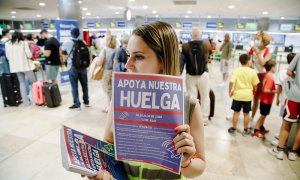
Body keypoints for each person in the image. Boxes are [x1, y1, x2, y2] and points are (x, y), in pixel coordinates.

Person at [88, 21, 206, 179]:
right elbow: (108, 145)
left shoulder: (189, 104)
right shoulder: (120, 100)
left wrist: (185, 162)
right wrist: (103, 170)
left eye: (138, 57)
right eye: (129, 55)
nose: (128, 65)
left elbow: (200, 166)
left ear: (163, 61)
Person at [270, 53, 300, 161]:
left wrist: (297, 79)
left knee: (286, 124)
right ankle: (293, 153)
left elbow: (289, 71)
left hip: (295, 95)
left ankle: (280, 150)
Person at [181, 28, 212, 126]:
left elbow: (182, 61)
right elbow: (210, 54)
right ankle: (204, 119)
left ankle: (192, 118)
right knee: (205, 97)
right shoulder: (206, 44)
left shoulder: (185, 46)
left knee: (192, 98)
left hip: (190, 76)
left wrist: (179, 72)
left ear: (191, 35)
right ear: (201, 35)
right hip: (204, 74)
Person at [228, 54, 259, 136]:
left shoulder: (236, 70)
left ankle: (234, 128)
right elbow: (255, 85)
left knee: (236, 112)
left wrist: (229, 91)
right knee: (246, 113)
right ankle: (245, 130)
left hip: (237, 95)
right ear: (248, 61)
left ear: (240, 61)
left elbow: (231, 82)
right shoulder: (253, 72)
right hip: (247, 96)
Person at [61, 27, 89, 110]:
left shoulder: (66, 42)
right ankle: (86, 102)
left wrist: (65, 62)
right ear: (78, 34)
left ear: (71, 34)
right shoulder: (83, 42)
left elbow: (63, 53)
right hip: (83, 67)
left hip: (72, 67)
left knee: (74, 86)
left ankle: (77, 104)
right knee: (85, 85)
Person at [5, 31, 36, 105]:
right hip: (26, 66)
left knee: (22, 83)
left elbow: (8, 57)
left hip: (15, 67)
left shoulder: (7, 44)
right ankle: (36, 99)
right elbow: (29, 55)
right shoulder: (23, 43)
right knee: (33, 82)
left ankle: (26, 102)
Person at [248, 31, 272, 127]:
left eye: (258, 38)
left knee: (256, 98)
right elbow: (248, 59)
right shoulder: (253, 49)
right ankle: (238, 111)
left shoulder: (268, 51)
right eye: (256, 38)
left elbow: (263, 63)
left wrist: (258, 53)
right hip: (252, 74)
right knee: (246, 93)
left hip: (261, 76)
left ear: (264, 40)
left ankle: (252, 117)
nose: (256, 40)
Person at [271, 53, 296, 146]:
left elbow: (279, 87)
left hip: (285, 100)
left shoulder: (283, 72)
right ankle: (283, 136)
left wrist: (277, 98)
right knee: (290, 121)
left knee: (285, 121)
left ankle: (282, 140)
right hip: (293, 101)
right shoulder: (297, 72)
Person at [252, 60, 277, 139]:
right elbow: (266, 90)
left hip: (265, 100)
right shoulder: (270, 77)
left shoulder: (267, 75)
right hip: (266, 100)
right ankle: (256, 130)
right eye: (275, 67)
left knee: (264, 115)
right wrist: (276, 91)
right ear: (272, 67)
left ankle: (261, 127)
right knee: (263, 115)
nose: (275, 69)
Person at [96, 35, 117, 113]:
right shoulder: (116, 50)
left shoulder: (105, 50)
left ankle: (110, 108)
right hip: (115, 72)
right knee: (112, 90)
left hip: (106, 72)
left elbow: (99, 63)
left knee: (108, 90)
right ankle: (110, 106)